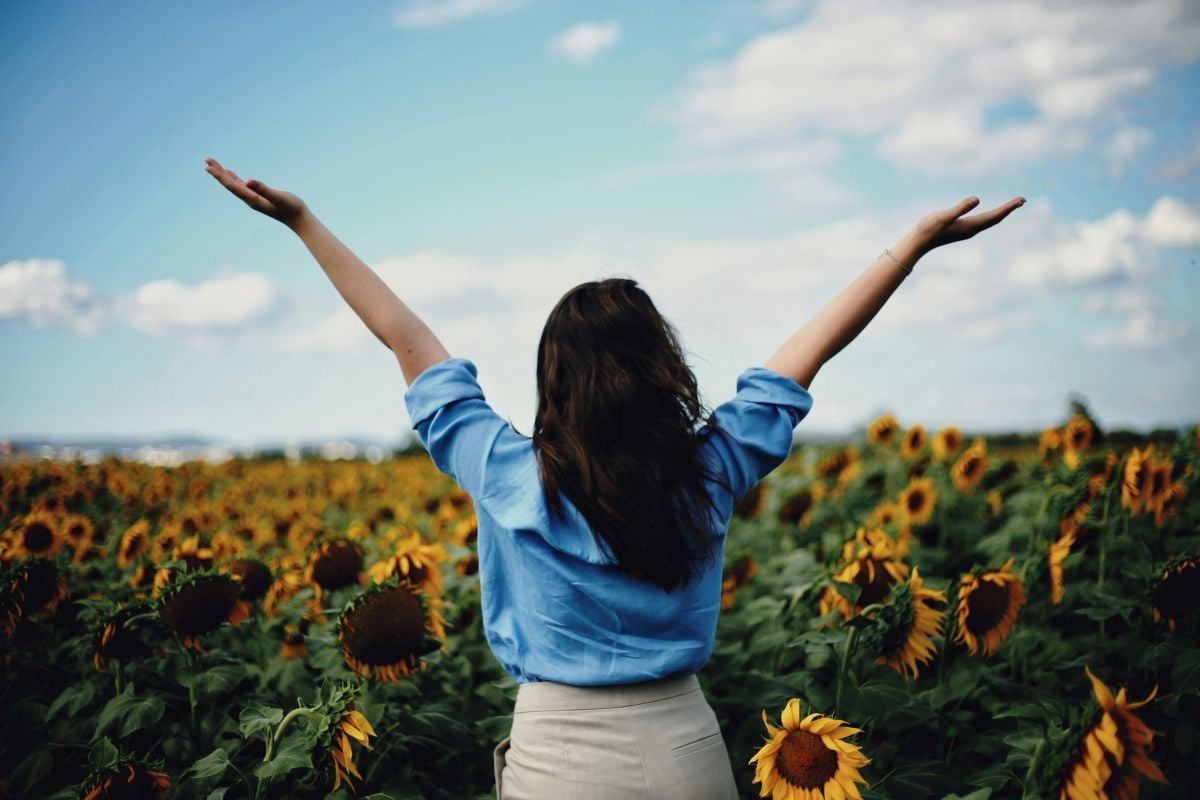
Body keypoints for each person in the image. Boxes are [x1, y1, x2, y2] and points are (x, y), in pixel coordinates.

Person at [205, 156, 1024, 798]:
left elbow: (404, 335)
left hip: (560, 756)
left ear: (554, 381)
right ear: (663, 369)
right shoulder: (713, 469)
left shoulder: (498, 467)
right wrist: (908, 250)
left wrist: (305, 223)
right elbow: (809, 350)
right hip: (687, 746)